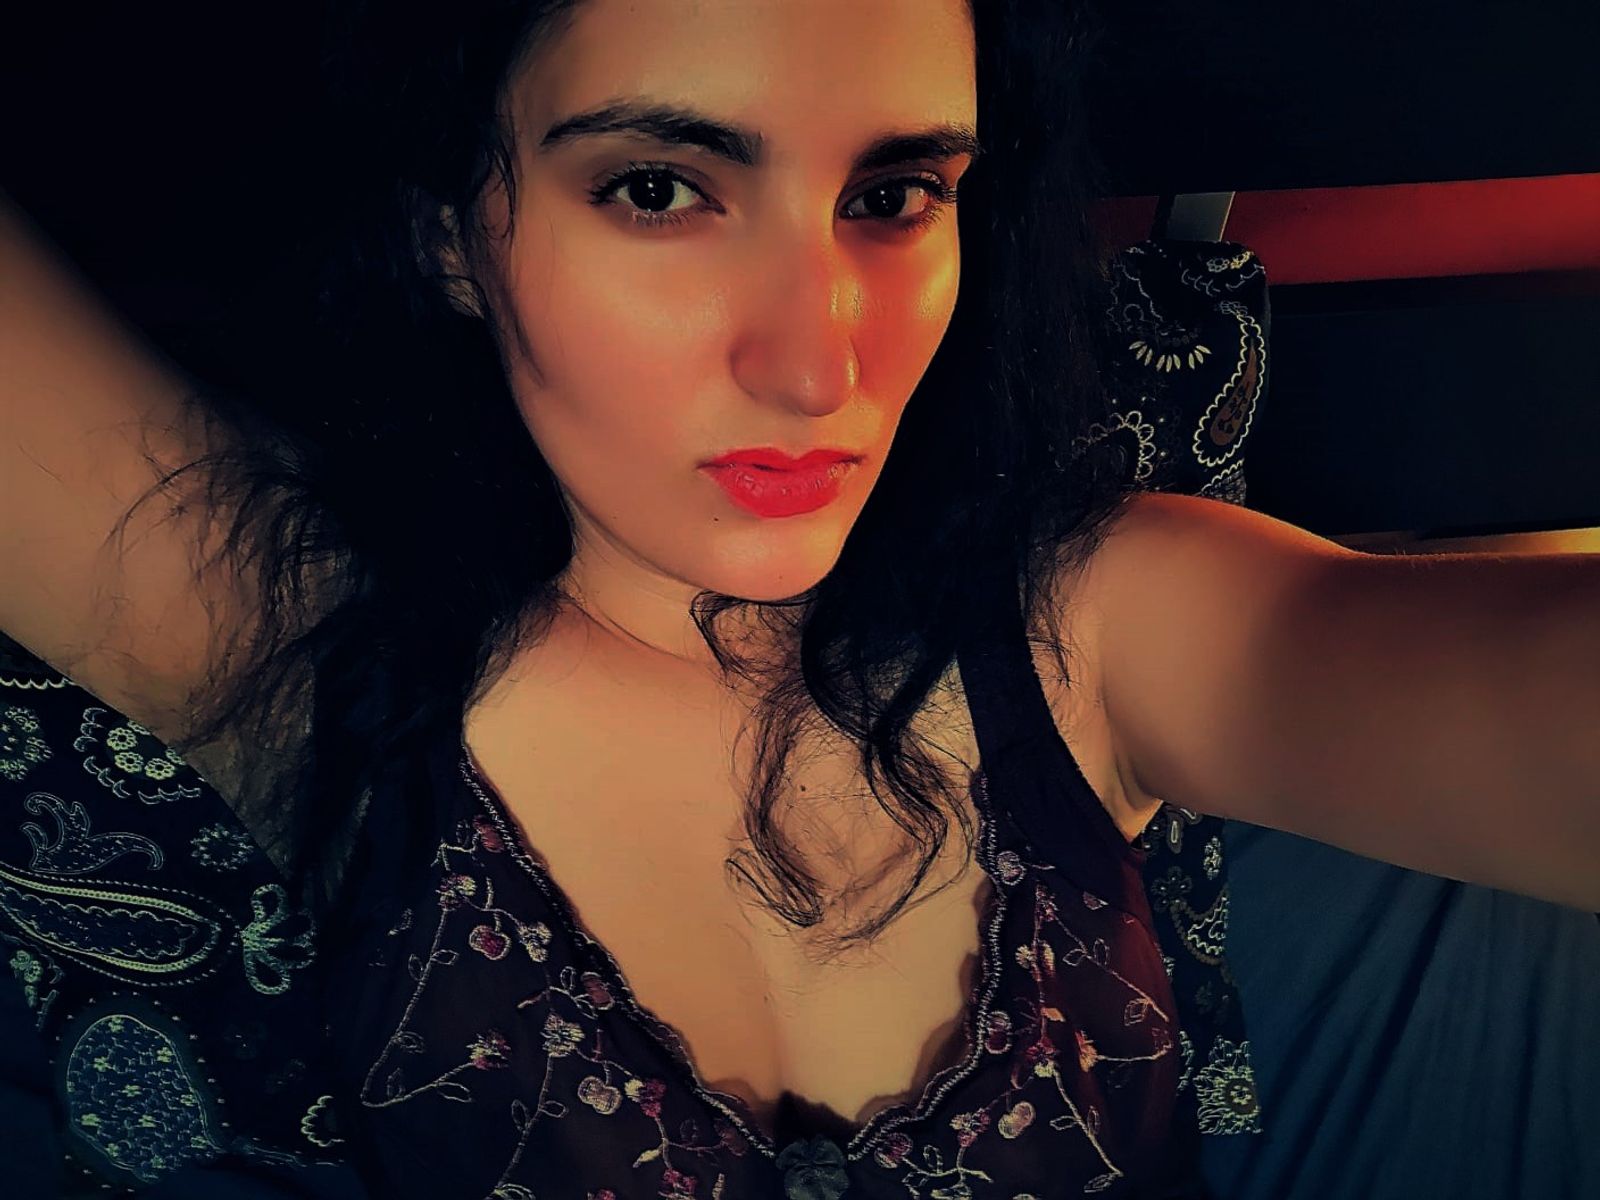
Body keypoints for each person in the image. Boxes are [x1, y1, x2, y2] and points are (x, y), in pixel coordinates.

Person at [2, 1, 1597, 1196]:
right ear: (451, 237)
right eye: (657, 188)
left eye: (894, 195)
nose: (822, 365)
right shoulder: (291, 636)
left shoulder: (1089, 622)